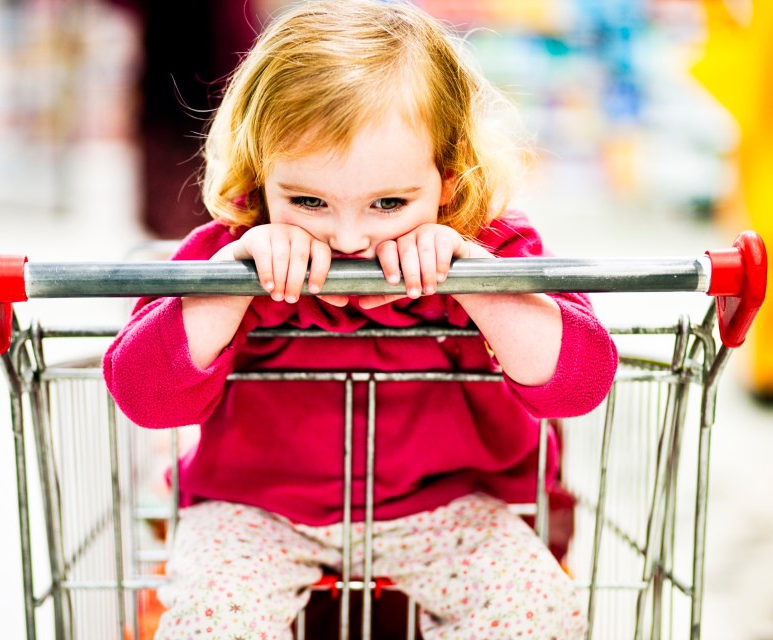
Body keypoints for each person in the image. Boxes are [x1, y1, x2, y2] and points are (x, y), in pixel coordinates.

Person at [103, 1, 618, 638]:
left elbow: (580, 385)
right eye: (309, 200)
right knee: (216, 617)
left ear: (448, 183)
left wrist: (477, 281)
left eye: (389, 203)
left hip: (448, 507)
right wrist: (230, 281)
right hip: (254, 510)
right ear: (263, 179)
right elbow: (144, 397)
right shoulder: (230, 250)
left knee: (539, 610)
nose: (349, 238)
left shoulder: (494, 251)